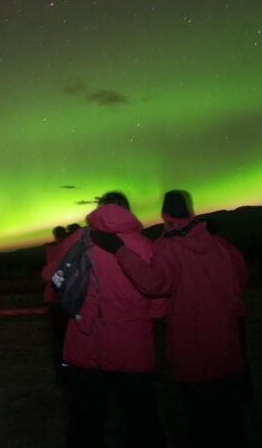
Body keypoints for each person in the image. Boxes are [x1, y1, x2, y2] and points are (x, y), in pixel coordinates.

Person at [92, 190, 249, 448]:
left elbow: (154, 285)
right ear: (190, 210)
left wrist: (119, 251)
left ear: (164, 215)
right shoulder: (220, 244)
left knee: (201, 421)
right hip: (226, 343)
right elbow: (240, 278)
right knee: (232, 421)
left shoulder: (167, 246)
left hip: (192, 347)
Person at [57, 191, 167, 448]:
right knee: (142, 421)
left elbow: (55, 281)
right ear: (128, 210)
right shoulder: (143, 245)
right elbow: (159, 303)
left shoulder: (75, 240)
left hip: (84, 345)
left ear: (98, 208)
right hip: (132, 347)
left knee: (85, 424)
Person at [40, 225, 70, 384]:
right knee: (68, 336)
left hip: (52, 298)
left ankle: (62, 370)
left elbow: (46, 273)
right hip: (65, 298)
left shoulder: (50, 249)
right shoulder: (67, 248)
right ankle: (67, 369)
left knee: (59, 337)